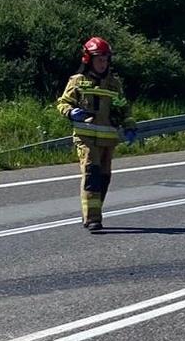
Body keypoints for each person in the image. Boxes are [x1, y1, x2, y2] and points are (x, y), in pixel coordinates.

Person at [56, 36, 137, 232]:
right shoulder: (78, 81)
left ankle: (94, 211)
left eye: (105, 59)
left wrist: (129, 125)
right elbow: (63, 103)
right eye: (99, 59)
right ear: (88, 59)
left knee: (104, 178)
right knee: (91, 174)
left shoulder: (113, 84)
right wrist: (70, 112)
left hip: (108, 140)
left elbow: (123, 108)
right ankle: (93, 219)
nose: (103, 63)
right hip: (86, 138)